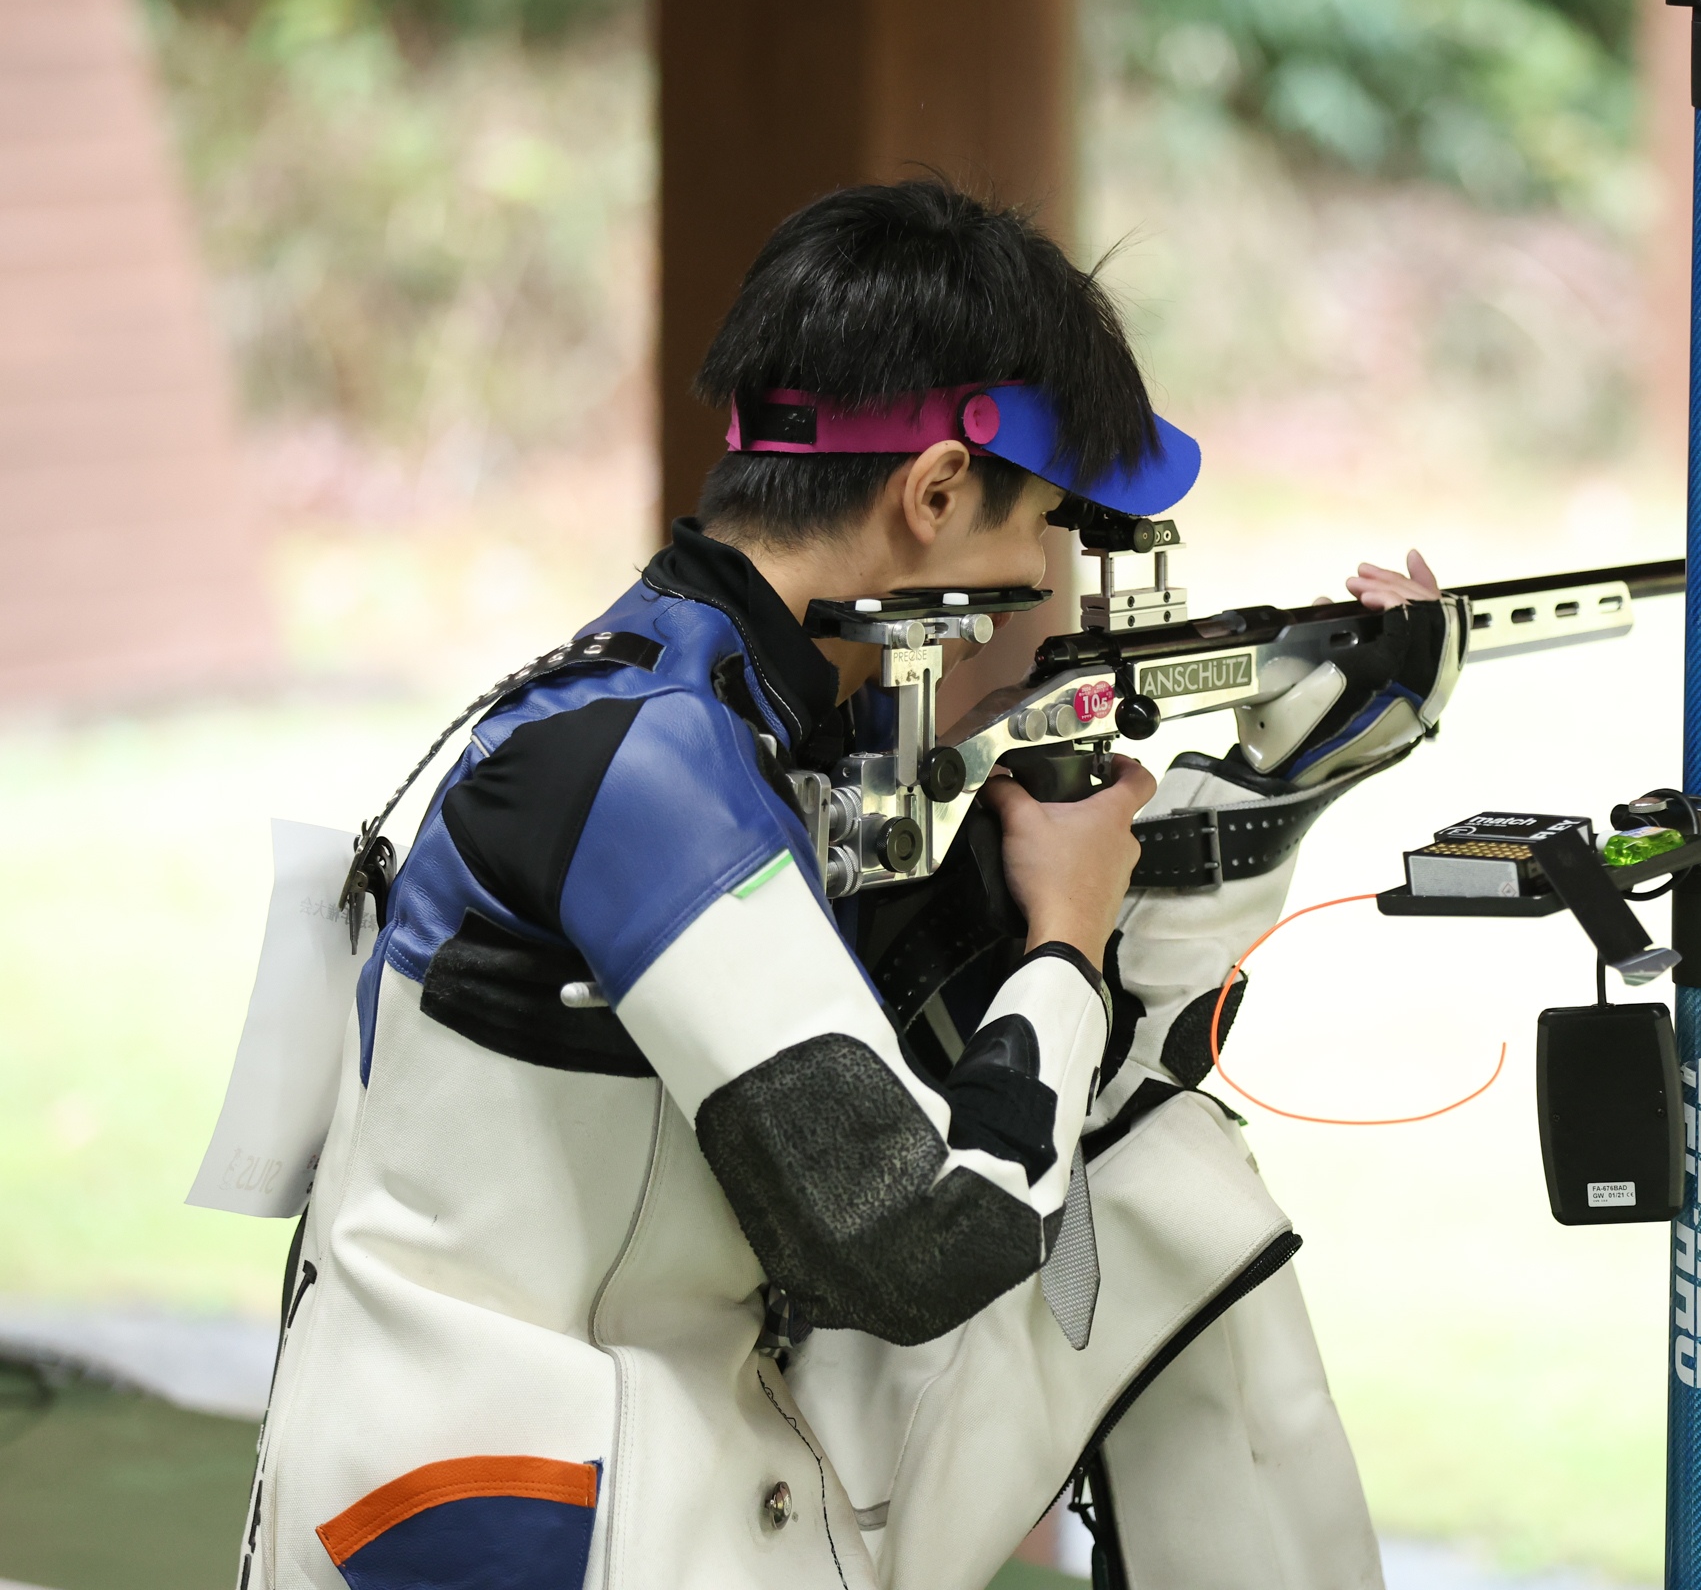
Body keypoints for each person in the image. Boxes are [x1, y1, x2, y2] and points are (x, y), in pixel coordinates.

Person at [242, 180, 1459, 1590]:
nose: (1041, 569)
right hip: (521, 1521)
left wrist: (1273, 783)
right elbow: (927, 1243)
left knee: (1165, 1184)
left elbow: (1063, 1071)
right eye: (1043, 520)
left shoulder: (696, 699)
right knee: (1132, 1194)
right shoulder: (652, 771)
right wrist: (1064, 939)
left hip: (629, 1445)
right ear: (934, 492)